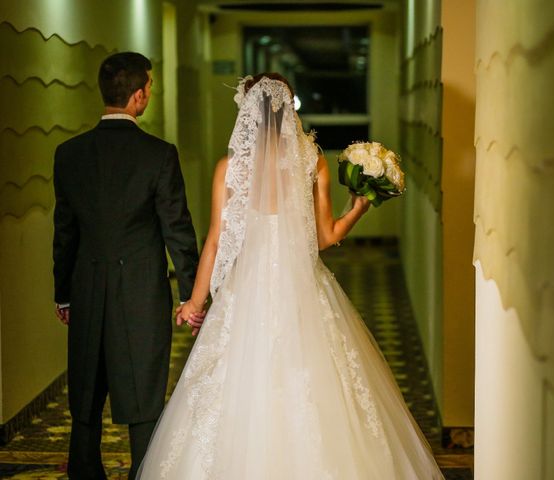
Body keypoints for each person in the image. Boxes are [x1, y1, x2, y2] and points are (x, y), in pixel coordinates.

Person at [137, 73, 444, 479]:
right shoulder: (311, 161)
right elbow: (324, 237)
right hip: (302, 292)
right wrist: (359, 208)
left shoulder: (230, 168)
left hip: (245, 296)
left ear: (247, 113)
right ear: (288, 109)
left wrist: (195, 302)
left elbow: (214, 240)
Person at [52, 52, 203, 480]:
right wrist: (192, 296)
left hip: (85, 288)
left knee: (85, 397)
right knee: (143, 398)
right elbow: (177, 230)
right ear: (139, 96)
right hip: (140, 293)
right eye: (149, 87)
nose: (149, 93)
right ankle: (144, 472)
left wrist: (63, 292)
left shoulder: (69, 154)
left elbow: (65, 232)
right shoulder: (159, 155)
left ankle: (83, 473)